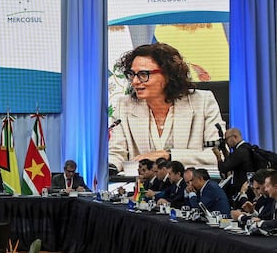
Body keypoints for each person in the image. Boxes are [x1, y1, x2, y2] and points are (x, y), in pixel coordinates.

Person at [108, 43, 224, 173]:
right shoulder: (124, 105)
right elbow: (116, 154)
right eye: (132, 74)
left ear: (168, 75)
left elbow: (217, 154)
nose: (135, 81)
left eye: (143, 74)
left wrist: (168, 156)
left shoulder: (202, 102)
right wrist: (110, 167)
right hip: (143, 187)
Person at [213, 127, 256, 200]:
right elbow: (231, 162)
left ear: (235, 137)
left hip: (244, 190)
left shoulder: (240, 151)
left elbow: (224, 168)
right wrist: (224, 150)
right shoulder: (246, 147)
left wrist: (218, 156)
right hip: (248, 188)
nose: (226, 142)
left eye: (227, 139)